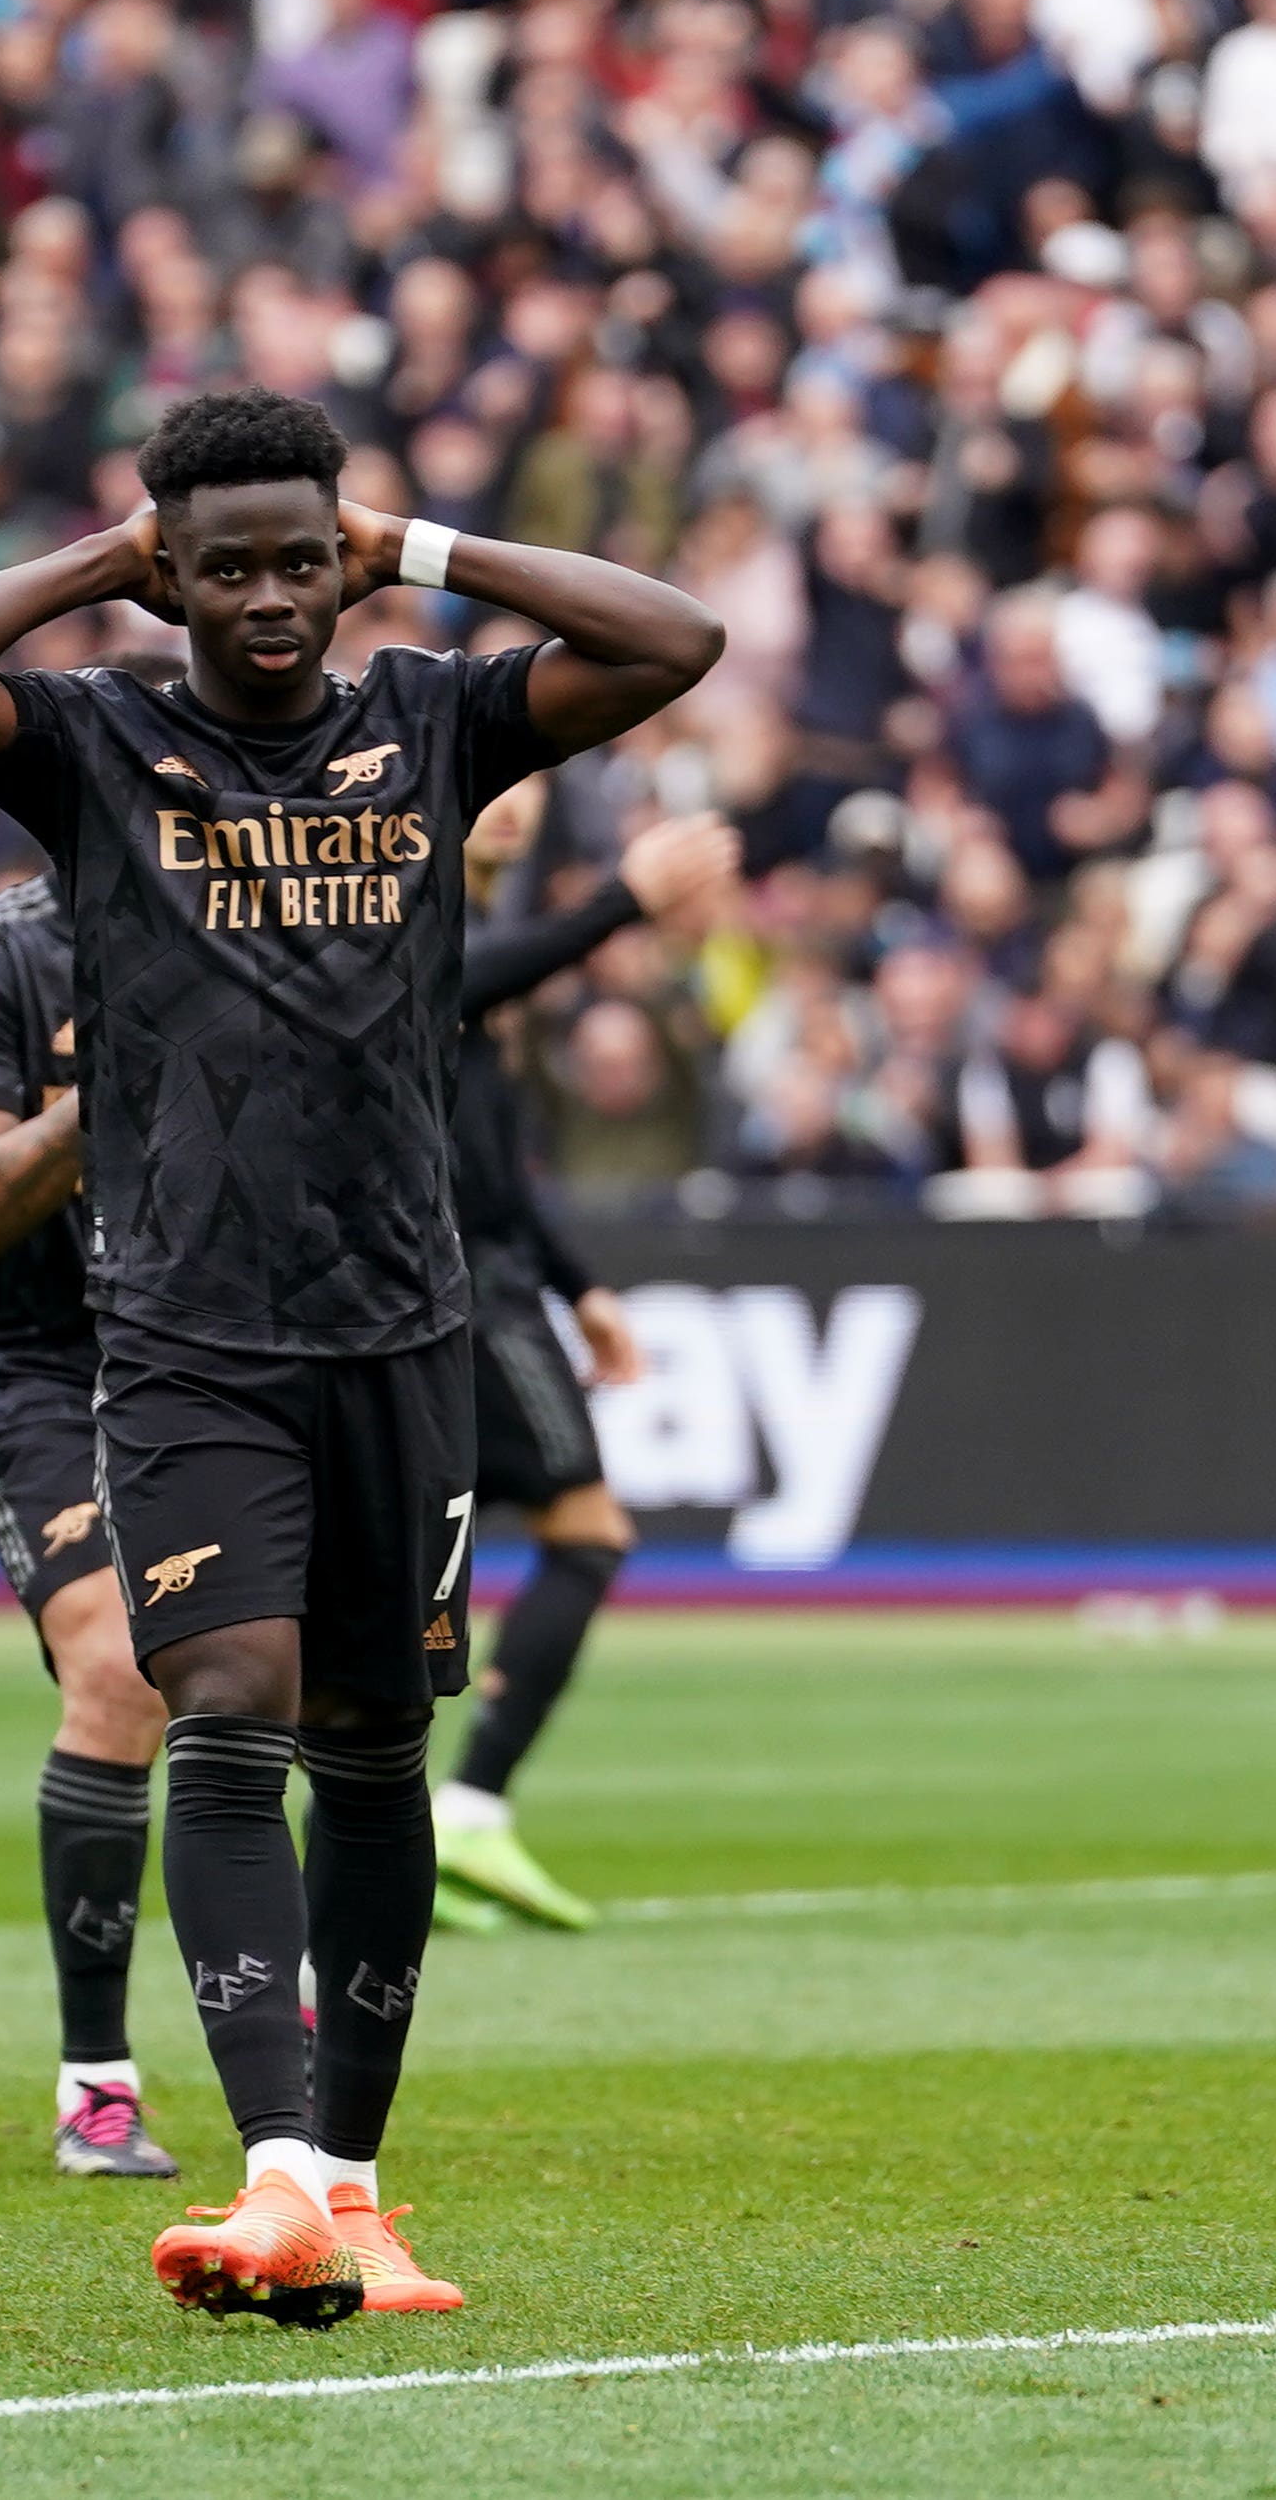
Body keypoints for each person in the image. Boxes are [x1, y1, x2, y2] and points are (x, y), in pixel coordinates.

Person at [0, 386, 722, 2325]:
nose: (260, 599)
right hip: (182, 1337)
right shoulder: (90, 740)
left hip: (400, 1326)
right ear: (166, 578)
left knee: (377, 1748)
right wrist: (101, 559)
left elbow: (670, 638)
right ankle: (270, 2177)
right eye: (218, 565)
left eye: (292, 560)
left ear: (340, 561)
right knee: (222, 1703)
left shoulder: (425, 720)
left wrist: (415, 549)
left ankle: (354, 2184)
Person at [0, 872, 179, 2181]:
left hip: (222, 1359)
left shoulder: (253, 905)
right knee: (121, 1670)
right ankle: (99, 2085)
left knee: (281, 1685)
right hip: (44, 1372)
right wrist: (111, 1081)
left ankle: (284, 2027)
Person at [434, 795, 739, 1934]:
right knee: (586, 1528)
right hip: (462, 1292)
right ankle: (465, 1808)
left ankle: (418, 1815)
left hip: (478, 1279)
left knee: (421, 1559)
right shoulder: (409, 916)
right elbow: (454, 984)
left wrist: (583, 1286)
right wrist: (622, 902)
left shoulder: (474, 926)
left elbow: (496, 1158)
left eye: (526, 783)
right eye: (483, 779)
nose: (510, 800)